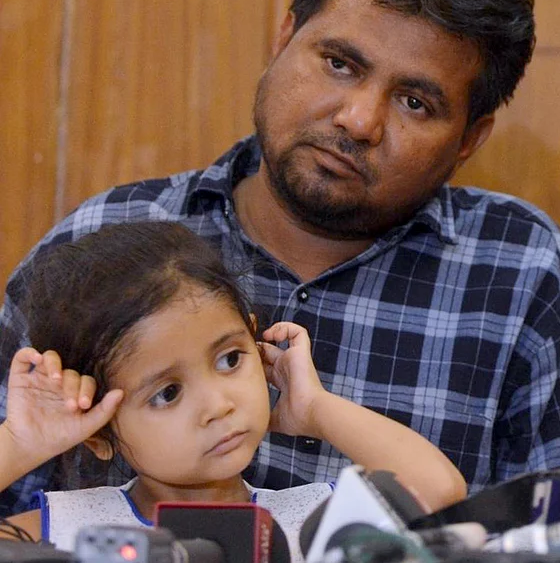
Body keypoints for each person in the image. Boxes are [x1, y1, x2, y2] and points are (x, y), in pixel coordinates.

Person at [0, 0, 560, 514]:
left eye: (415, 102)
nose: (358, 120)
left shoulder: (519, 269)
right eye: (338, 63)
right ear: (284, 37)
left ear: (468, 140)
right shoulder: (107, 238)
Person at [0, 221, 466, 558]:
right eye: (167, 393)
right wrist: (20, 445)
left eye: (229, 359)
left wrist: (314, 408)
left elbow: (438, 489)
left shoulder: (315, 519)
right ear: (98, 432)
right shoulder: (61, 531)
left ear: (254, 337)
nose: (218, 406)